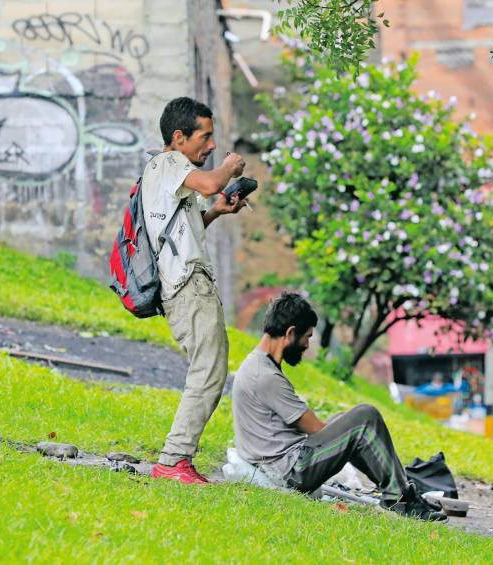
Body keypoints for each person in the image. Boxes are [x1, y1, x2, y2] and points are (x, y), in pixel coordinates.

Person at [231, 292, 445, 521]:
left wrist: (351, 435)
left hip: (279, 462)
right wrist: (354, 437)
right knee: (365, 415)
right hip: (292, 472)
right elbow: (316, 429)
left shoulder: (257, 364)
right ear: (290, 333)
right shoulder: (265, 376)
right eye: (306, 337)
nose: (306, 345)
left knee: (349, 421)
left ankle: (399, 492)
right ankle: (401, 498)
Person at [147, 96, 248, 485]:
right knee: (208, 370)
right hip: (188, 286)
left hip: (188, 283)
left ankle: (177, 459)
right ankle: (173, 460)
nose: (209, 146)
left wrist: (217, 212)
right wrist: (229, 166)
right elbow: (209, 183)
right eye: (205, 138)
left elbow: (183, 232)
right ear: (179, 137)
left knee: (209, 368)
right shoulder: (170, 161)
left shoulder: (171, 175)